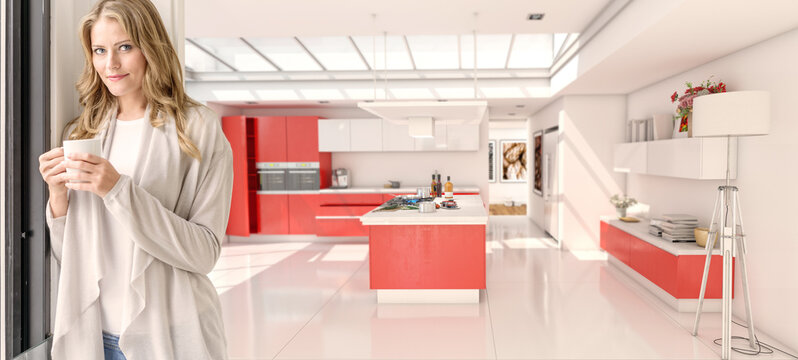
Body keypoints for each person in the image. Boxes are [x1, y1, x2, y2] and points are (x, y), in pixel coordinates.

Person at [37, 0, 232, 359]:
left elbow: (204, 254)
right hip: (96, 335)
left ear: (150, 48)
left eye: (125, 47)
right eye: (100, 50)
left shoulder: (197, 128)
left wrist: (117, 189)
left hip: (170, 333)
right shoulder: (83, 131)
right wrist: (58, 197)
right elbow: (72, 256)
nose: (110, 64)